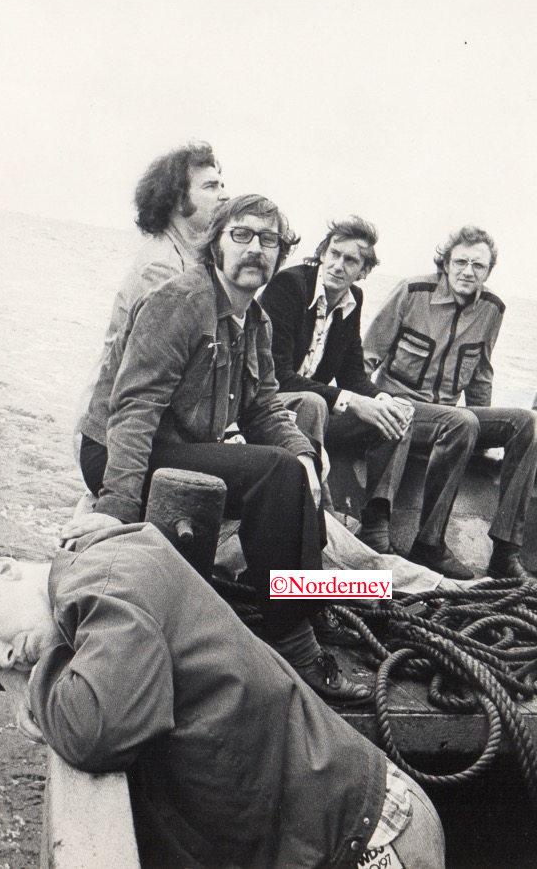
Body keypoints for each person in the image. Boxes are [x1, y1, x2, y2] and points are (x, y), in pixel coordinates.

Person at [0, 521, 446, 869]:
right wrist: (15, 674)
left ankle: (425, 588)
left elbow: (96, 731)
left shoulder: (104, 586)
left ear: (4, 569)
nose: (4, 656)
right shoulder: (92, 587)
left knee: (332, 575)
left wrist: (28, 681)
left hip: (367, 837)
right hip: (330, 829)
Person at [74, 193, 370, 703]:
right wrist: (116, 508)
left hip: (178, 452)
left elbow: (263, 407)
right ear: (217, 245)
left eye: (269, 240)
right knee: (273, 473)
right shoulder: (181, 303)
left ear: (281, 254)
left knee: (294, 468)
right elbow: (135, 409)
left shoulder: (254, 321)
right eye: (242, 235)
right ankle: (293, 641)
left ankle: (308, 604)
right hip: (121, 455)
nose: (256, 248)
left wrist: (303, 453)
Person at [364, 226, 537, 579]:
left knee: (527, 422)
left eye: (478, 265)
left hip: (449, 416)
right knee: (462, 422)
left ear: (488, 271)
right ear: (445, 263)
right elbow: (367, 357)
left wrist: (485, 442)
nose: (468, 272)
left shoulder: (492, 309)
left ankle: (506, 550)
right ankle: (424, 541)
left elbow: (480, 375)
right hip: (401, 406)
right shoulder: (413, 292)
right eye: (460, 262)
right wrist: (367, 408)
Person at [260, 217, 413, 555]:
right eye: (334, 254)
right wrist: (352, 400)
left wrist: (381, 398)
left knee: (397, 414)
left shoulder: (351, 299)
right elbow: (276, 376)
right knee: (314, 402)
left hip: (314, 411)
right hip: (269, 409)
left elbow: (353, 375)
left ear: (364, 271)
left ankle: (375, 523)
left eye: (351, 260)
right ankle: (322, 523)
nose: (338, 265)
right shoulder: (289, 286)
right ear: (322, 253)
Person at [73, 140, 228, 447]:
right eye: (210, 187)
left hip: (139, 422)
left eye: (222, 184)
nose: (224, 194)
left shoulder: (189, 259)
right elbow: (148, 375)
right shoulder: (162, 267)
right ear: (177, 200)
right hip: (113, 434)